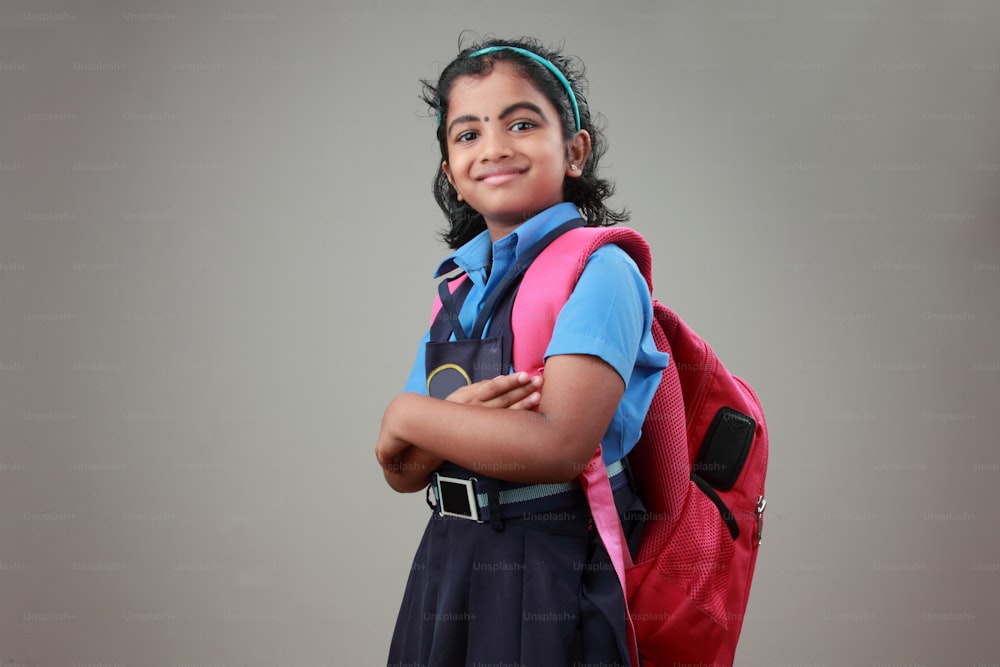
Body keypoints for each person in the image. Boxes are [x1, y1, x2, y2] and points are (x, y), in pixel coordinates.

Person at [375, 36, 668, 667]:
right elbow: (402, 472)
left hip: (549, 565)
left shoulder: (602, 271)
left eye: (522, 123)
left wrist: (409, 416)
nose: (496, 147)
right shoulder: (457, 285)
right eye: (468, 134)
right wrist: (435, 432)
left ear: (575, 151)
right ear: (450, 171)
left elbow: (559, 447)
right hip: (449, 557)